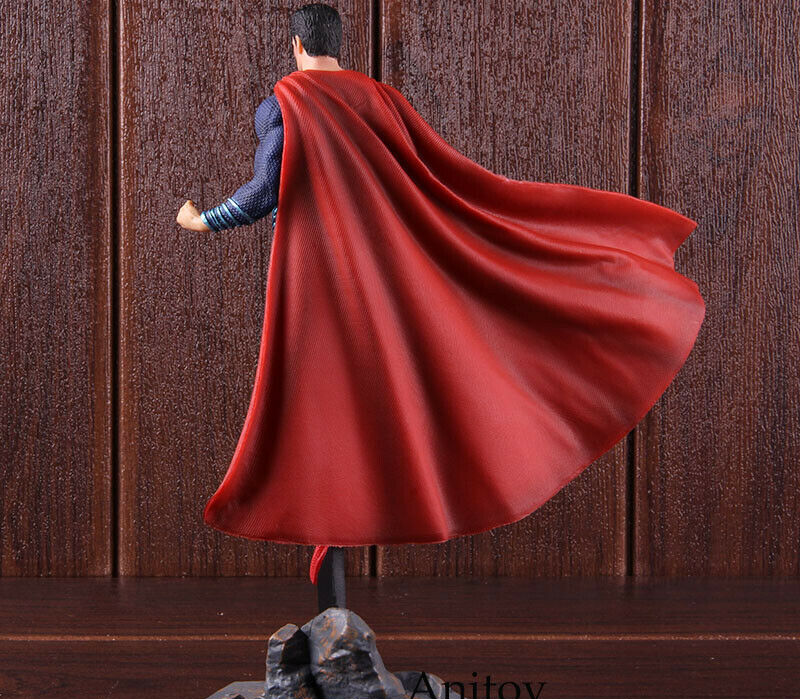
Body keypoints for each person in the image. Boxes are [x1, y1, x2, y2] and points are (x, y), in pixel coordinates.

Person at [176, 4, 706, 601]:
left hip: (320, 282)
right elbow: (427, 178)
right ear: (335, 44)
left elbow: (265, 189)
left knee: (323, 406)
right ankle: (337, 567)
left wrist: (205, 219)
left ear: (297, 46)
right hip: (383, 277)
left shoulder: (286, 103)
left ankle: (333, 555)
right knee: (356, 404)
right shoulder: (381, 100)